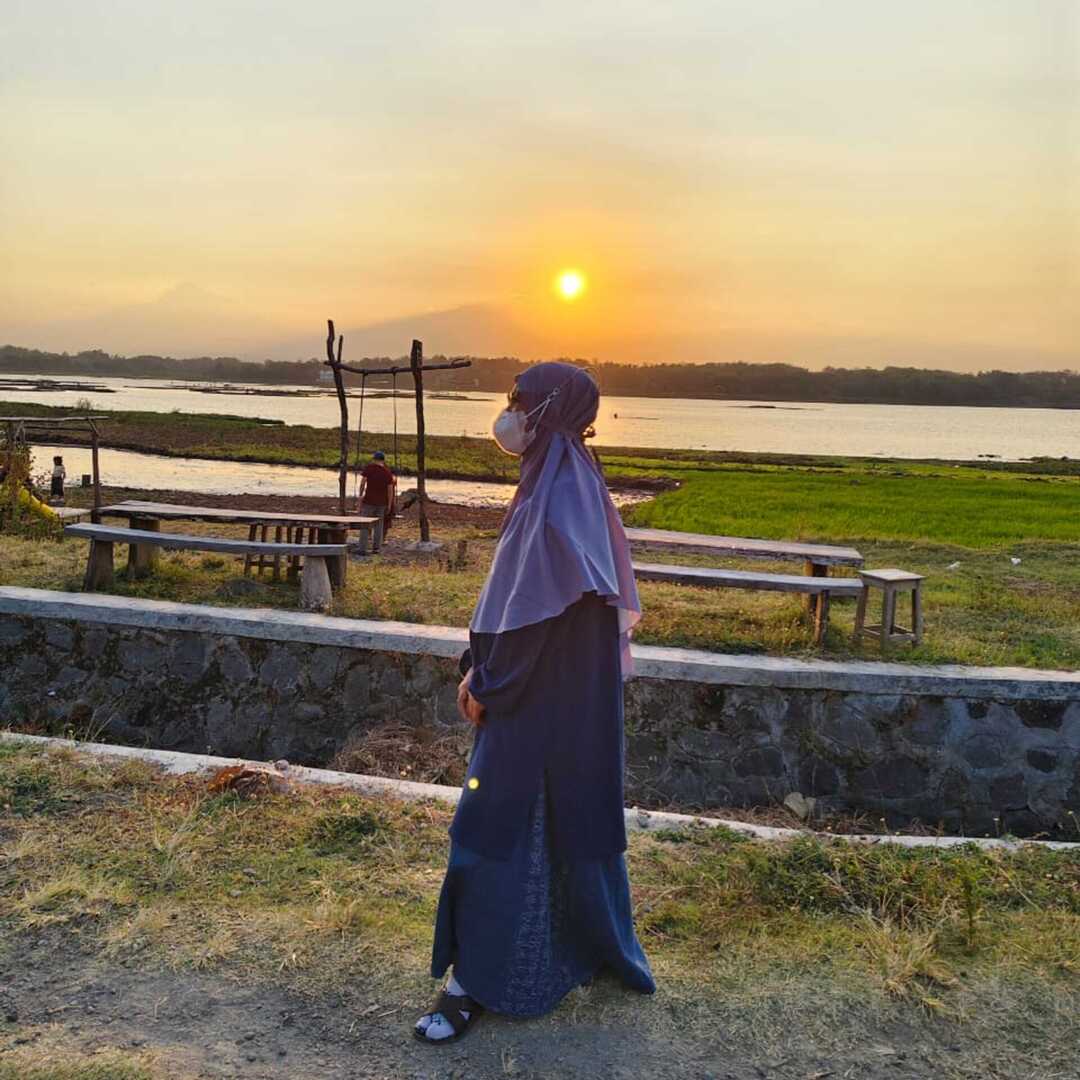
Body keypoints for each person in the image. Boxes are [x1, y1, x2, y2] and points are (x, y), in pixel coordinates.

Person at [413, 362, 654, 1045]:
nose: (508, 414)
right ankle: (563, 955)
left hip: (535, 702)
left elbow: (530, 618)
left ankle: (473, 984)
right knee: (556, 826)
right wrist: (483, 666)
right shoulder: (572, 479)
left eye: (518, 401)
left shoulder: (555, 493)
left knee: (495, 829)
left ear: (546, 410)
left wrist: (483, 682)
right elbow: (530, 602)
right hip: (570, 701)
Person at [357, 450, 396, 547]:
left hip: (368, 501)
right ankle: (376, 547)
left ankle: (362, 547)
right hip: (382, 503)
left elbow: (363, 483)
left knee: (365, 524)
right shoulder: (387, 473)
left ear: (374, 459)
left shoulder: (369, 468)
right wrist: (390, 504)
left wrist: (360, 495)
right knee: (379, 525)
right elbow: (390, 490)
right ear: (383, 460)